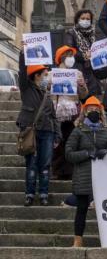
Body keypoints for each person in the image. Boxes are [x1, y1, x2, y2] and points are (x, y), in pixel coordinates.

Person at [65, 96, 107, 247]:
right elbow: (68, 154)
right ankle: (78, 240)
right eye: (90, 109)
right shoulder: (78, 131)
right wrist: (87, 154)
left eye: (96, 109)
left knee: (105, 211)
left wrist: (106, 151)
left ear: (100, 112)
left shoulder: (106, 131)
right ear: (85, 111)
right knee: (81, 209)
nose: (93, 111)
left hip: (103, 178)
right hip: (83, 176)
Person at [17, 54, 60, 207]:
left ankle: (43, 194)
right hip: (32, 133)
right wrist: (23, 53)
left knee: (45, 165)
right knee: (32, 164)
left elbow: (55, 118)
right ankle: (29, 194)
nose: (47, 78)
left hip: (47, 133)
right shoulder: (27, 89)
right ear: (36, 76)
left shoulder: (47, 96)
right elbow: (22, 72)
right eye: (45, 75)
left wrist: (57, 136)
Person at [51, 46, 89, 180]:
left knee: (71, 141)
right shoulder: (52, 74)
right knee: (57, 142)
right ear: (61, 58)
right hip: (57, 112)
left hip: (73, 112)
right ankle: (57, 170)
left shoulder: (77, 73)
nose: (71, 58)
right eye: (68, 55)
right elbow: (45, 92)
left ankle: (71, 170)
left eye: (72, 56)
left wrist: (82, 85)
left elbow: (84, 94)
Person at [64, 9, 102, 97]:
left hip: (93, 76)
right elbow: (69, 52)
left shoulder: (94, 35)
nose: (85, 21)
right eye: (83, 18)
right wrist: (84, 56)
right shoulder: (71, 34)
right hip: (79, 73)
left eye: (88, 19)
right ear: (78, 19)